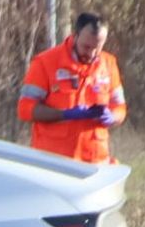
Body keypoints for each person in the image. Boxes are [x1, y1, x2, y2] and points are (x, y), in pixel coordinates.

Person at [16, 12, 126, 164]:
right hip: (53, 163)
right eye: (86, 47)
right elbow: (25, 109)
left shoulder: (109, 64)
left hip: (95, 162)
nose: (91, 54)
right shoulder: (45, 63)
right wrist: (64, 114)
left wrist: (112, 116)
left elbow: (120, 107)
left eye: (97, 48)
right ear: (75, 36)